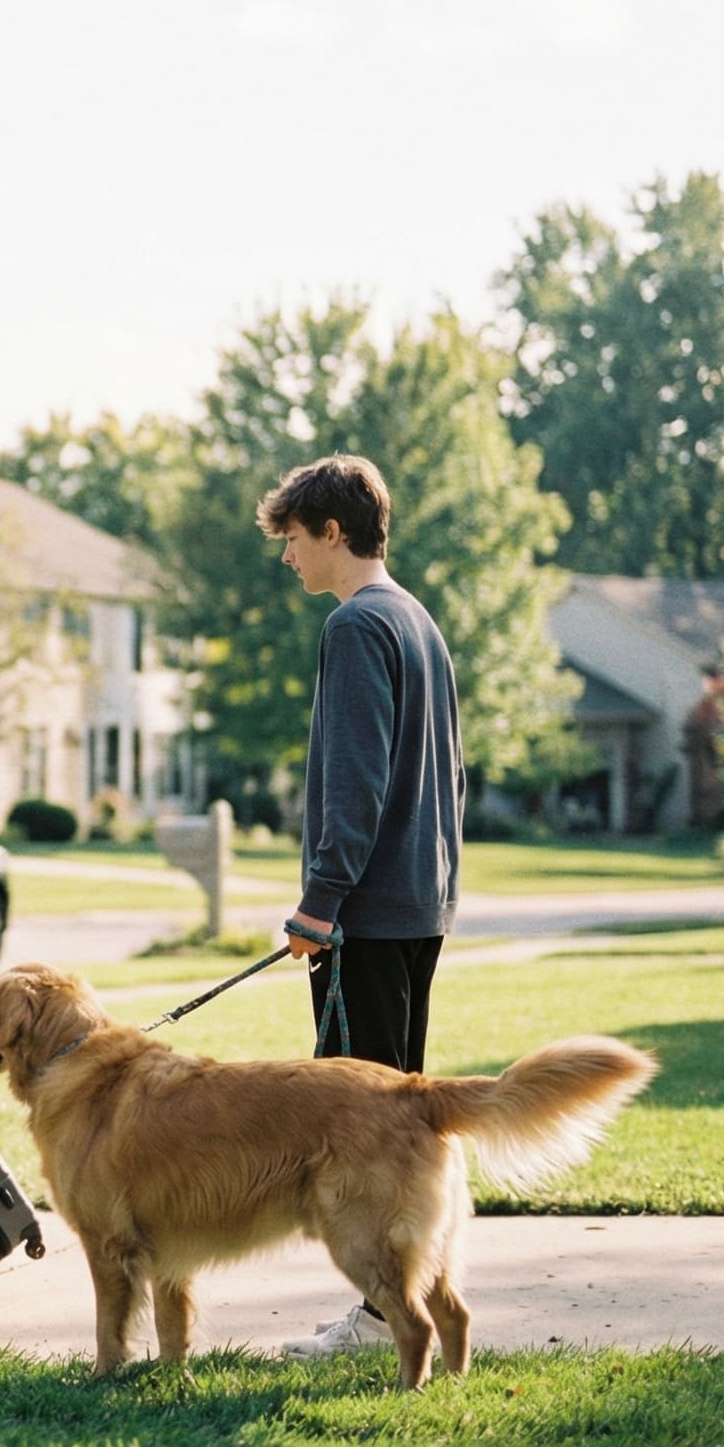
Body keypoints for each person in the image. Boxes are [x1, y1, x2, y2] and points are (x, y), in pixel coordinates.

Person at [258, 453, 466, 1363]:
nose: (290, 559)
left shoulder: (356, 628)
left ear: (332, 531)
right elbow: (448, 777)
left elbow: (355, 779)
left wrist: (320, 901)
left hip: (366, 914)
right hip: (419, 908)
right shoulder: (418, 620)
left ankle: (383, 1319)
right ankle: (413, 1307)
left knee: (361, 1137)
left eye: (295, 541)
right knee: (404, 1126)